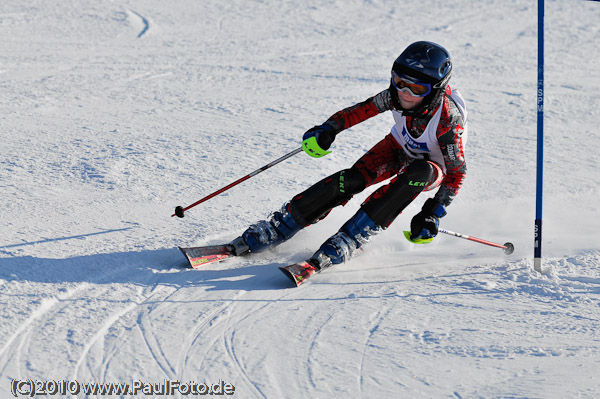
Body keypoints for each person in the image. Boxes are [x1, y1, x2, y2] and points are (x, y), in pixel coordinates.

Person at [228, 41, 468, 271]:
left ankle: (352, 237)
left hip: (432, 166)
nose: (404, 92)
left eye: (416, 88)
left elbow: (457, 172)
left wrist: (432, 212)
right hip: (398, 146)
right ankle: (281, 225)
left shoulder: (447, 120)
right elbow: (359, 111)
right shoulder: (394, 96)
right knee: (351, 180)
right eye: (399, 81)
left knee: (418, 173)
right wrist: (328, 129)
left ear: (434, 91)